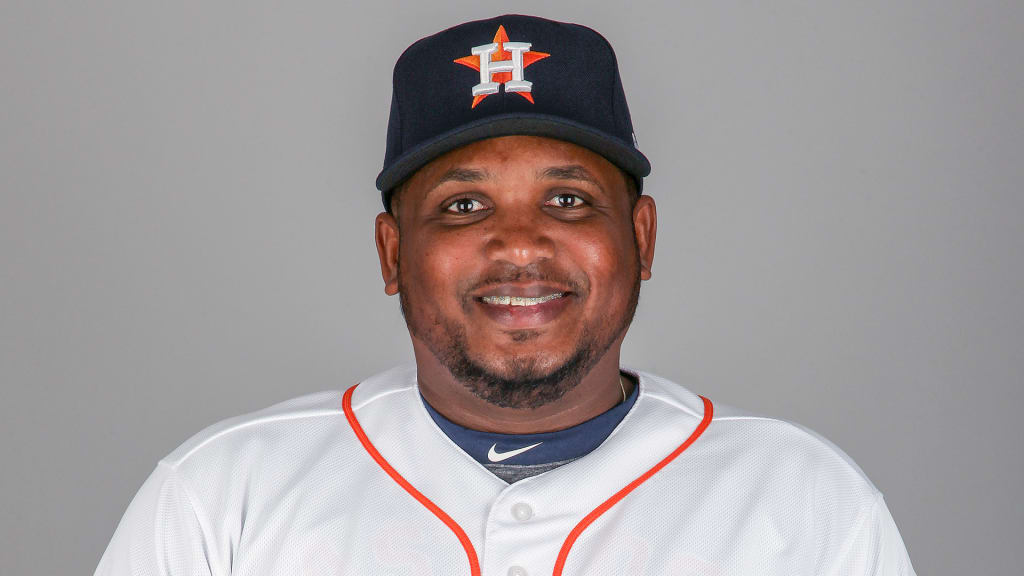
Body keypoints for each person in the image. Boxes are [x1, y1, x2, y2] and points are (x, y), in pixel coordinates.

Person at [95, 14, 916, 575]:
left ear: (643, 238)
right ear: (392, 254)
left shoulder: (805, 504)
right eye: (463, 206)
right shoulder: (220, 501)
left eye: (568, 201)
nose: (520, 244)